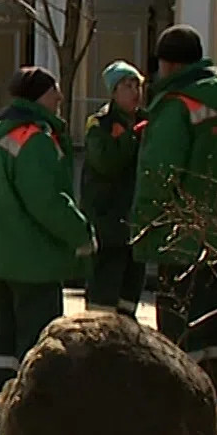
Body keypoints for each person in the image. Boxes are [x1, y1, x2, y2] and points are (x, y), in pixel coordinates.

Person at [130, 24, 217, 433]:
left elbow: (159, 172)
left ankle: (183, 412)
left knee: (180, 327)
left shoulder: (176, 106)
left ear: (166, 64)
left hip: (182, 237)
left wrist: (142, 224)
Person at [0, 66, 96, 394]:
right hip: (30, 257)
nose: (59, 96)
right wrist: (81, 234)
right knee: (36, 334)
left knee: (2, 329)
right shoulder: (34, 138)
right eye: (53, 90)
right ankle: (33, 402)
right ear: (38, 96)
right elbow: (47, 201)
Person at [82, 60, 147, 319]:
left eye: (137, 85)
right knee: (103, 300)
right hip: (108, 222)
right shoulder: (100, 125)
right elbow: (106, 163)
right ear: (113, 92)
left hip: (137, 222)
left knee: (129, 298)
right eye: (127, 86)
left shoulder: (146, 120)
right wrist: (132, 137)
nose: (135, 92)